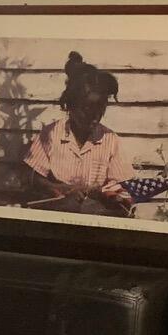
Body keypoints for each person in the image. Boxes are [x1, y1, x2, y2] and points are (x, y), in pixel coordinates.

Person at [19, 51, 134, 216]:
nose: (95, 116)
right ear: (70, 105)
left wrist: (113, 195)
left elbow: (123, 187)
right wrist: (57, 188)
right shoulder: (51, 135)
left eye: (100, 108)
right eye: (87, 108)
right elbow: (32, 178)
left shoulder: (110, 141)